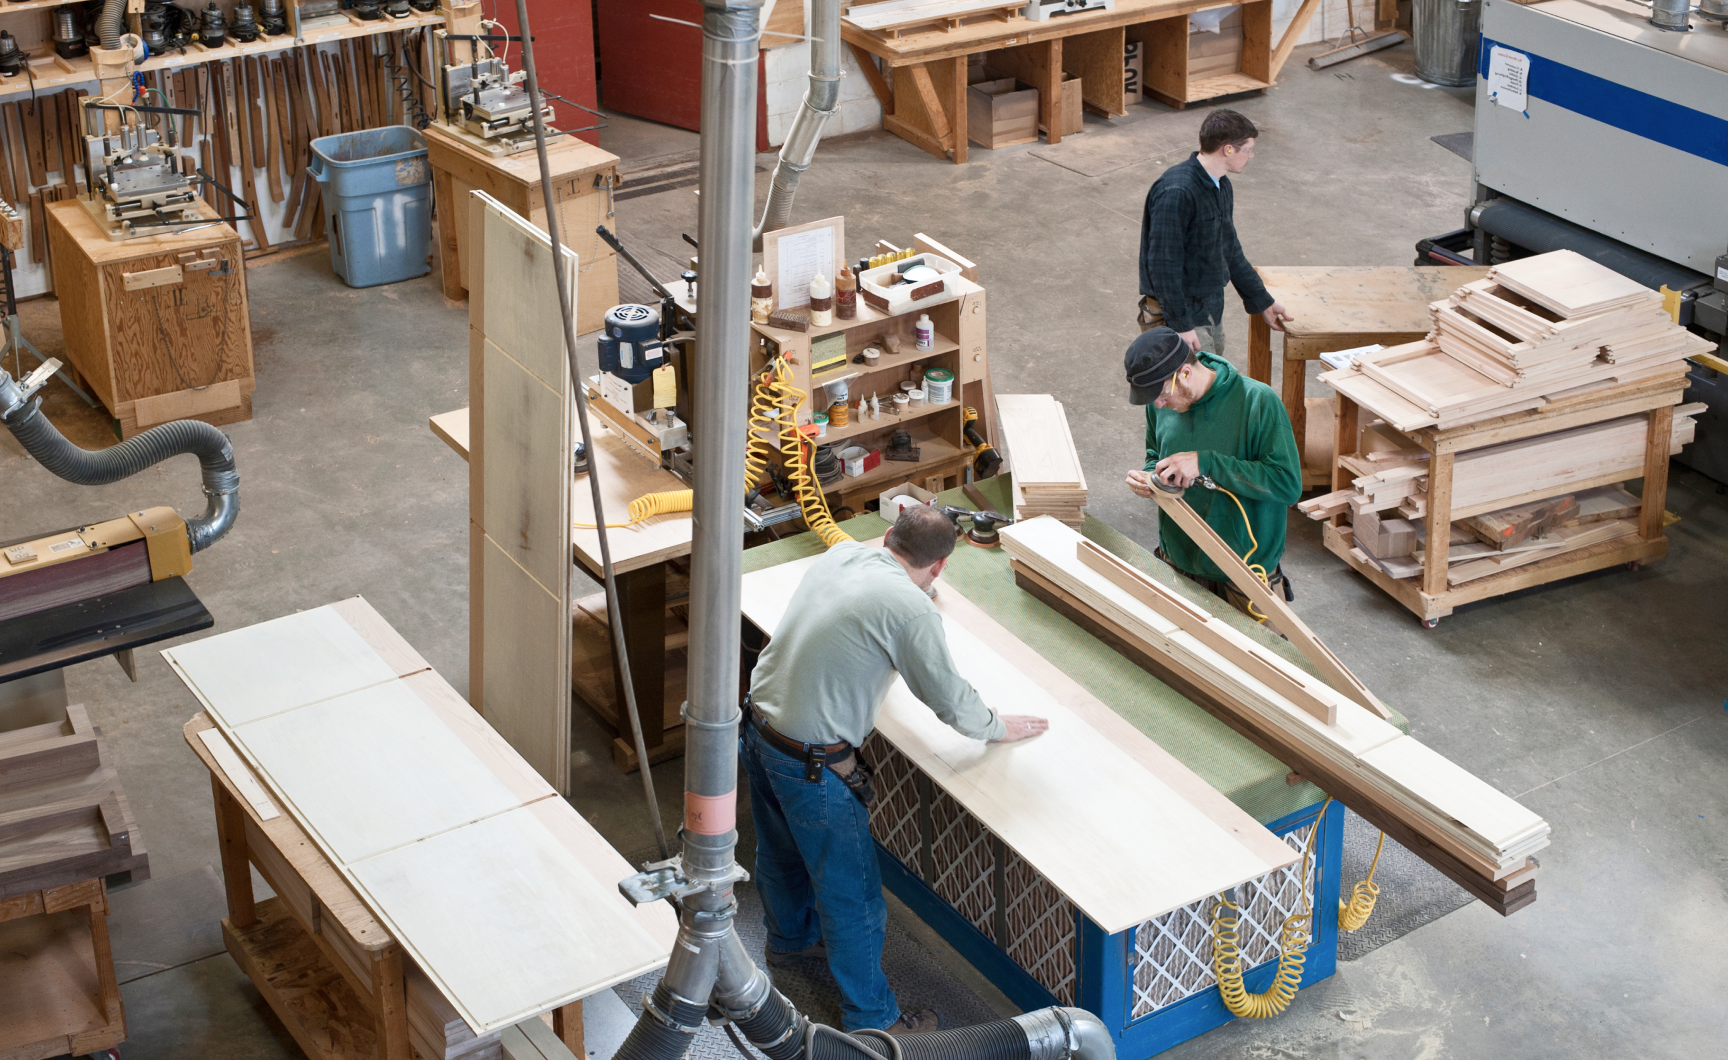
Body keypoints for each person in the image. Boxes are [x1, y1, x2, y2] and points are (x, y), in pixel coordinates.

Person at [741, 506, 1048, 1036]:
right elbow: (947, 699)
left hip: (759, 730)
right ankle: (875, 1024)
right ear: (942, 566)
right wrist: (998, 727)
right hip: (812, 765)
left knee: (781, 852)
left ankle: (788, 941)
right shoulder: (911, 609)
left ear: (887, 536)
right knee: (853, 899)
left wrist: (914, 597)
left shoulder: (842, 555)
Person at [1123, 326, 1302, 616]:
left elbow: (1287, 484)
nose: (1158, 404)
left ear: (1185, 373)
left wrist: (1206, 463)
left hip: (1243, 574)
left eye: (1160, 394)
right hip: (1178, 563)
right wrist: (1148, 478)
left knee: (1258, 660)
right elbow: (1155, 453)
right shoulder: (1160, 405)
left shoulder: (1258, 402)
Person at [1137, 109, 1294, 354]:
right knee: (1192, 389)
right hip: (1182, 315)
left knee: (1214, 381)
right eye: (1248, 150)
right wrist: (1180, 325)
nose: (1251, 156)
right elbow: (1163, 266)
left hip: (1210, 307)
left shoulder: (1220, 185)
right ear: (1228, 149)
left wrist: (1263, 300)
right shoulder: (1177, 192)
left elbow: (1229, 250)